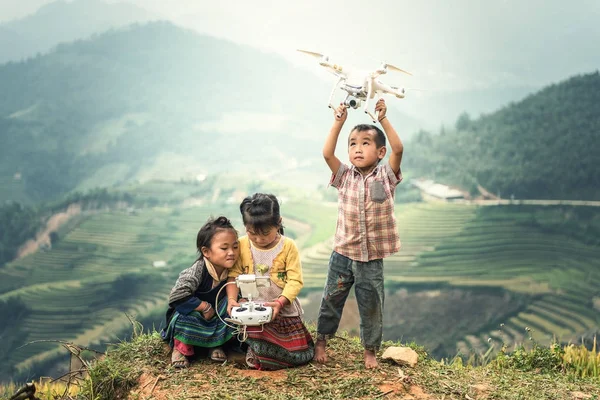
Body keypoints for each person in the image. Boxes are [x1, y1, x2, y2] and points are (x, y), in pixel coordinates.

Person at [314, 98, 403, 369]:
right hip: (342, 252)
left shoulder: (386, 175)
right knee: (331, 298)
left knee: (371, 305)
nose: (358, 148)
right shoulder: (344, 176)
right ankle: (321, 340)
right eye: (353, 143)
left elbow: (398, 148)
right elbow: (327, 154)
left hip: (371, 258)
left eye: (366, 143)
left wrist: (383, 118)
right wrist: (338, 122)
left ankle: (370, 351)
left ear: (380, 151)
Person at [227, 193, 315, 370]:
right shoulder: (242, 244)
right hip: (251, 309)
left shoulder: (288, 246)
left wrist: (279, 303)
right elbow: (233, 275)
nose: (259, 239)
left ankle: (258, 352)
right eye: (252, 233)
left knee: (297, 354)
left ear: (279, 223)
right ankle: (255, 351)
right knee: (247, 328)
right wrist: (231, 300)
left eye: (265, 234)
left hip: (282, 311)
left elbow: (295, 281)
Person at [162, 216, 240, 368]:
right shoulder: (197, 270)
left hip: (217, 316)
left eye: (235, 247)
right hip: (197, 316)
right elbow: (177, 295)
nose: (231, 252)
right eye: (224, 248)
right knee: (185, 316)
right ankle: (181, 348)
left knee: (234, 310)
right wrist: (203, 306)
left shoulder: (234, 270)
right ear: (206, 251)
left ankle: (216, 344)